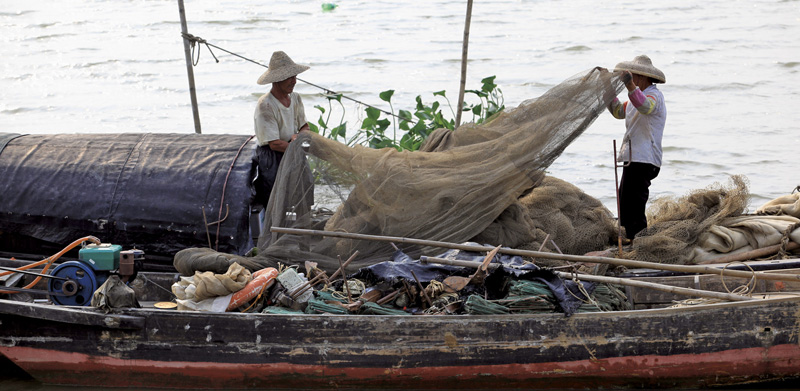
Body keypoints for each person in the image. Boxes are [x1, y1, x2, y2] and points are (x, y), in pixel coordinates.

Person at [606, 54, 667, 241]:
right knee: (624, 202)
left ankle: (639, 242)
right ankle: (630, 239)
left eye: (635, 76)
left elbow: (645, 107)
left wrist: (629, 86)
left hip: (645, 159)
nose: (633, 79)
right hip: (632, 158)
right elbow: (618, 111)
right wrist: (606, 89)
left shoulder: (654, 96)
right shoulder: (635, 98)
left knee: (634, 204)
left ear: (644, 77)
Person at [253, 51, 310, 208]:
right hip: (272, 157)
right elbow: (274, 144)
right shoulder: (266, 105)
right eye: (289, 77)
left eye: (295, 76)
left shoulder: (295, 98)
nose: (294, 81)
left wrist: (300, 138)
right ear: (276, 80)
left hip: (292, 148)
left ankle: (299, 225)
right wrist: (296, 146)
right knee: (277, 199)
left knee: (304, 189)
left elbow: (304, 126)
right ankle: (276, 230)